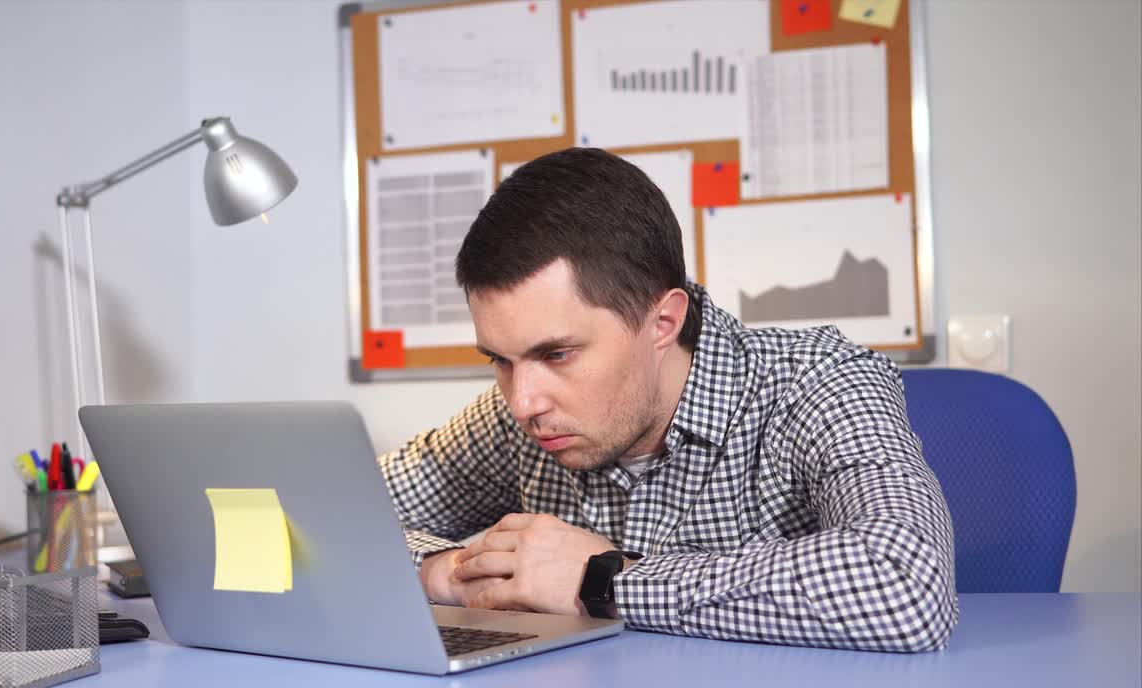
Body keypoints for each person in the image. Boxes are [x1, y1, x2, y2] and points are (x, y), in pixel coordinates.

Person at [379, 147, 958, 652]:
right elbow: (329, 514)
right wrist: (443, 572)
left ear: (663, 321)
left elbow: (906, 579)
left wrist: (601, 580)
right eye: (499, 361)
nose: (523, 402)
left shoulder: (816, 381)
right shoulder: (516, 418)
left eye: (557, 354)